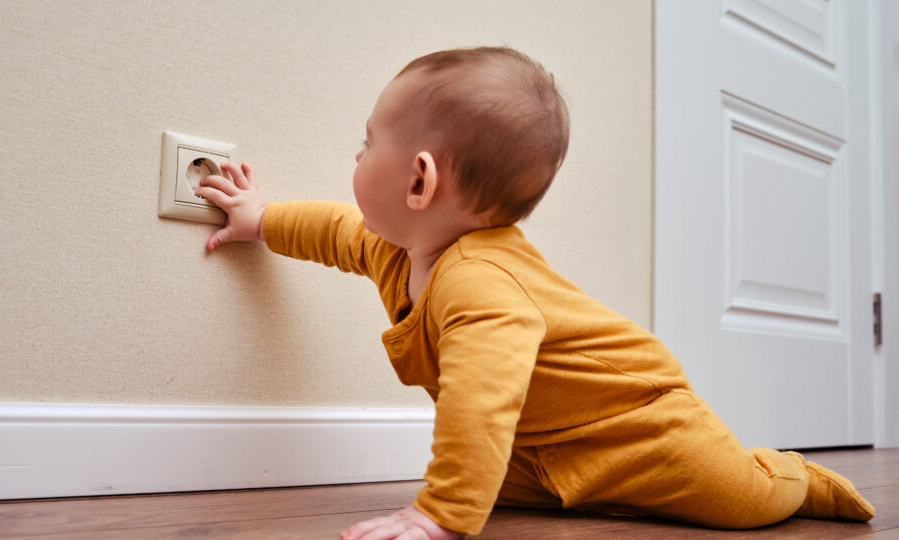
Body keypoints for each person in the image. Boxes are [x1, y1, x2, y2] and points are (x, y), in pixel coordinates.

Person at [195, 47, 875, 539]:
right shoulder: (395, 248)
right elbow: (336, 231)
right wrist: (261, 219)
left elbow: (479, 404)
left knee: (739, 501)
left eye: (367, 143)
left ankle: (795, 478)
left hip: (640, 425)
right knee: (514, 490)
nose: (355, 157)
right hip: (539, 445)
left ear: (418, 183)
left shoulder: (481, 284)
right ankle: (585, 497)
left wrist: (440, 516)